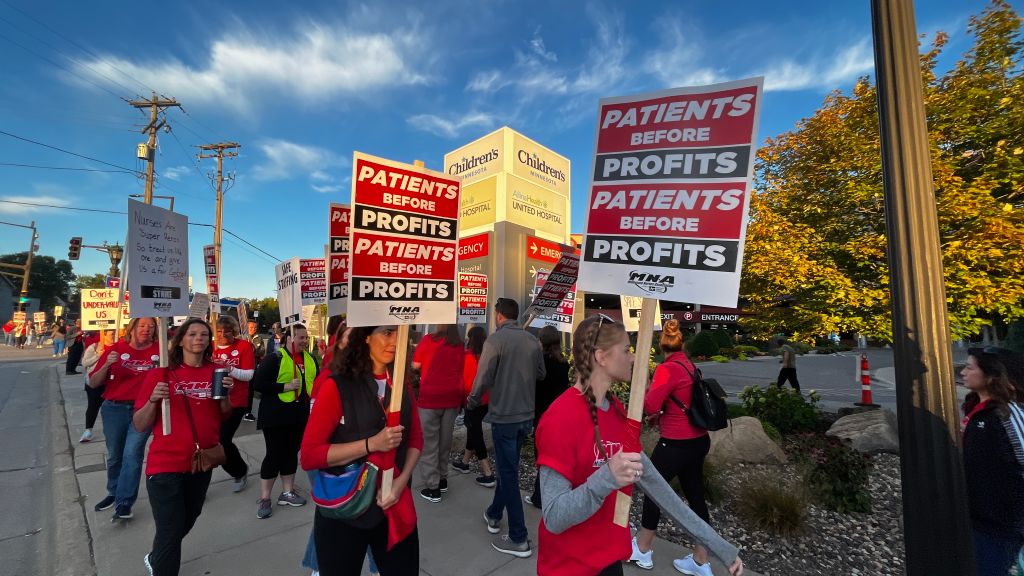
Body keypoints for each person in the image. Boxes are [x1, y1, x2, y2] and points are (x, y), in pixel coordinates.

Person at [536, 314, 744, 576]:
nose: (633, 358)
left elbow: (661, 492)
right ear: (601, 357)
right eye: (626, 350)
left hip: (610, 561)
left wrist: (722, 549)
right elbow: (554, 517)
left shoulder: (618, 413)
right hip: (567, 567)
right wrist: (606, 479)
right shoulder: (559, 418)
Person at [301, 325, 422, 575]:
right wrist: (371, 444)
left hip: (393, 507)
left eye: (401, 333)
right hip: (345, 512)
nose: (396, 340)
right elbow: (310, 455)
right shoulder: (337, 386)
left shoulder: (401, 384)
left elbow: (416, 440)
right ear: (366, 336)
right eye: (388, 332)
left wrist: (400, 482)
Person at [133, 317, 234, 576]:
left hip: (202, 462)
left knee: (187, 520)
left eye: (204, 335)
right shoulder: (161, 374)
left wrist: (226, 395)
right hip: (165, 464)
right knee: (170, 530)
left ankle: (156, 557)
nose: (199, 339)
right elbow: (140, 424)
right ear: (180, 341)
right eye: (192, 334)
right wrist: (153, 400)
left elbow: (223, 414)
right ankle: (163, 565)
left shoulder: (216, 371)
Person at [631, 319, 715, 573]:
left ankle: (644, 549)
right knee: (695, 497)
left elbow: (650, 405)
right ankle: (701, 559)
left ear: (661, 346)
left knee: (654, 490)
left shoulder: (667, 370)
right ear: (682, 344)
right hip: (698, 440)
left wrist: (645, 379)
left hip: (675, 443)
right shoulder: (690, 366)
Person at [467, 297, 545, 558]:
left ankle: (519, 537)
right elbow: (541, 373)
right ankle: (493, 513)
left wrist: (472, 402)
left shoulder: (495, 340)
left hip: (505, 417)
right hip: (526, 416)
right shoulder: (533, 341)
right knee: (508, 469)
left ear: (500, 316)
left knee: (509, 474)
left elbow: (482, 378)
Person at [960, 346, 1024, 576]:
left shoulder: (1007, 414)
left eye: (969, 367)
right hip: (980, 517)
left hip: (1003, 523)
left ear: (992, 375)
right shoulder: (975, 409)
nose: (963, 372)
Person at [88, 317, 159, 520]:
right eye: (143, 325)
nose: (147, 329)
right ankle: (114, 491)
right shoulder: (116, 349)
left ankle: (125, 502)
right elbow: (93, 382)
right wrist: (106, 365)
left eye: (151, 326)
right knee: (115, 455)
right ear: (133, 328)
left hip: (143, 409)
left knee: (132, 454)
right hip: (114, 409)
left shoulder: (160, 351)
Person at [252, 324, 318, 519]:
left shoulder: (311, 359)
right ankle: (265, 498)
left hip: (299, 415)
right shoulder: (275, 359)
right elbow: (258, 385)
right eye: (301, 338)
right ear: (290, 338)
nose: (305, 341)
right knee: (274, 455)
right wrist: (285, 386)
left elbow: (317, 382)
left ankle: (287, 492)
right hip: (275, 416)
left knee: (290, 453)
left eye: (306, 338)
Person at [413, 324, 465, 503]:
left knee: (429, 443)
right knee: (445, 440)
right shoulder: (459, 344)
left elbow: (415, 364)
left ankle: (432, 487)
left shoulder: (428, 340)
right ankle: (442, 478)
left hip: (430, 397)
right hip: (452, 397)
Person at [526, 325, 569, 509]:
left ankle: (539, 496)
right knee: (553, 456)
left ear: (541, 341)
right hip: (558, 412)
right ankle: (548, 493)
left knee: (541, 456)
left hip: (541, 413)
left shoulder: (540, 362)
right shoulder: (563, 363)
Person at [213, 316, 256, 493]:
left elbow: (249, 375)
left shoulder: (243, 346)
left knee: (223, 439)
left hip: (236, 401)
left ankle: (239, 471)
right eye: (219, 331)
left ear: (234, 331)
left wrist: (228, 368)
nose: (223, 335)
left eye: (227, 331)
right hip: (212, 400)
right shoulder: (210, 347)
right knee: (209, 440)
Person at [452, 326, 495, 486]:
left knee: (475, 433)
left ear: (471, 339)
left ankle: (488, 472)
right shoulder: (487, 355)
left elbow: (469, 384)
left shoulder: (468, 356)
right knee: (473, 429)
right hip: (486, 400)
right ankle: (465, 462)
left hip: (473, 401)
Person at [80, 330, 115, 443]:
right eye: (111, 334)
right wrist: (98, 356)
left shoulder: (119, 347)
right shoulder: (94, 347)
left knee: (110, 407)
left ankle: (110, 429)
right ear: (104, 334)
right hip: (94, 382)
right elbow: (85, 363)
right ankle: (88, 430)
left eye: (114, 333)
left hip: (111, 382)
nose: (113, 336)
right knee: (93, 406)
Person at [243, 319, 267, 422]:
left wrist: (251, 350)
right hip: (241, 368)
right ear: (246, 328)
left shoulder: (259, 338)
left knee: (250, 390)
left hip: (253, 368)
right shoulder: (241, 338)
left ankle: (248, 412)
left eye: (255, 327)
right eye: (251, 327)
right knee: (240, 390)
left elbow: (261, 351)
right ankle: (238, 410)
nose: (254, 329)